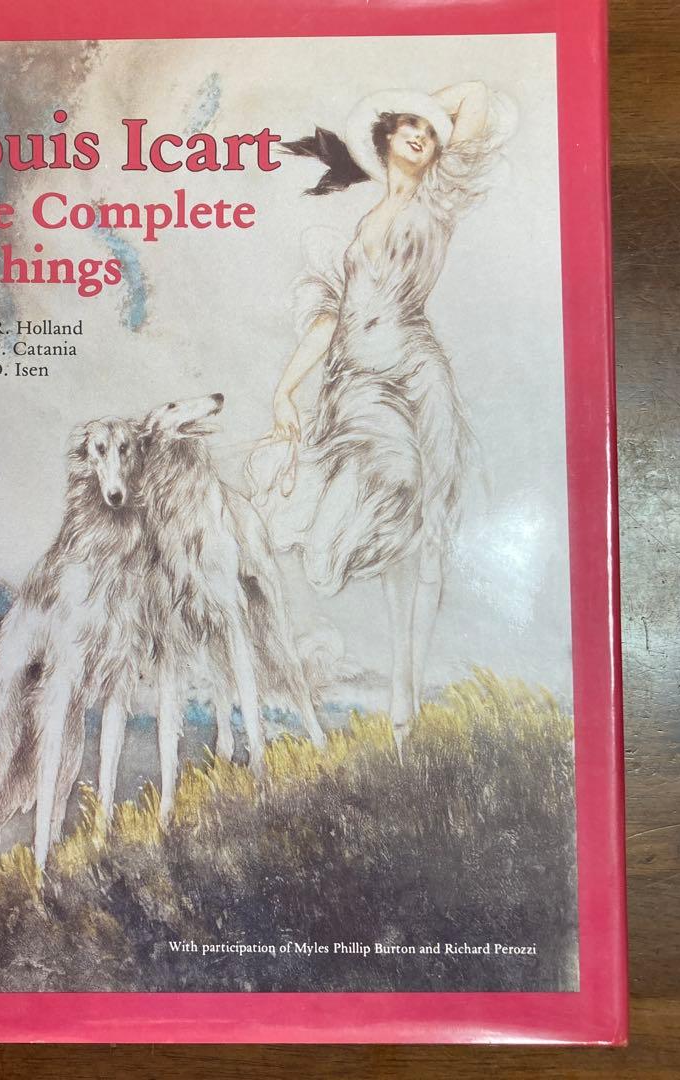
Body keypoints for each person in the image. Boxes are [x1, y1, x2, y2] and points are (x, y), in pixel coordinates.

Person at [249, 83, 516, 753]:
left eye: (430, 129)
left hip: (413, 376)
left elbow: (476, 99)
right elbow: (329, 322)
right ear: (385, 138)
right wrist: (284, 392)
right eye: (408, 125)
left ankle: (406, 697)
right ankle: (401, 690)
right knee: (365, 527)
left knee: (420, 523)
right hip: (354, 383)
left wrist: (423, 103)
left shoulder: (436, 201)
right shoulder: (359, 227)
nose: (422, 133)